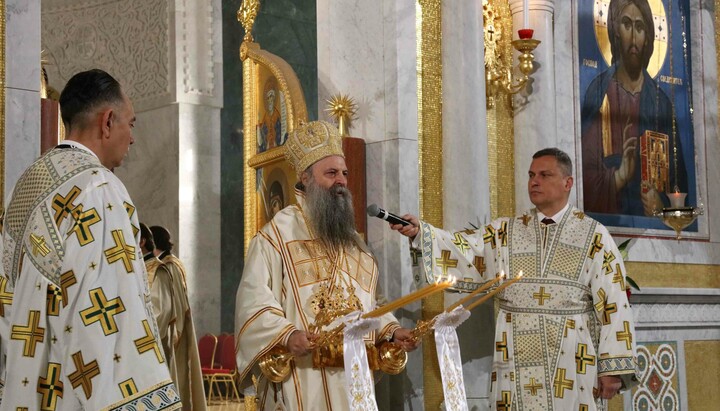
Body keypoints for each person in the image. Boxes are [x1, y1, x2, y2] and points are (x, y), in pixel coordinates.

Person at [392, 148, 638, 410]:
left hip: (571, 360)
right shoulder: (506, 231)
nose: (534, 181)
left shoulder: (595, 236)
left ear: (568, 183)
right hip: (514, 354)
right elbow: (466, 248)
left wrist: (612, 367)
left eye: (545, 175)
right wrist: (422, 234)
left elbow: (614, 304)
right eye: (531, 174)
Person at [0, 69, 181, 409]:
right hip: (69, 390)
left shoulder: (25, 186)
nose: (133, 138)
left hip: (21, 385)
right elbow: (106, 316)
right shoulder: (99, 188)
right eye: (131, 123)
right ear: (107, 122)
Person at [235, 120, 419, 410]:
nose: (342, 181)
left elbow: (369, 304)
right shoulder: (276, 236)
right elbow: (254, 300)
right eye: (331, 173)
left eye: (344, 173)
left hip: (355, 376)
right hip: (303, 377)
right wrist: (287, 335)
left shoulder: (354, 244)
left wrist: (391, 330)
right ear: (305, 177)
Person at [581, 0, 687, 216]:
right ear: (615, 31)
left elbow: (679, 187)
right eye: (626, 24)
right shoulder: (599, 93)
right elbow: (582, 176)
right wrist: (619, 177)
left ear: (648, 35)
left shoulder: (661, 104)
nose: (633, 37)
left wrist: (662, 206)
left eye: (640, 27)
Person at [149, 225, 206, 411]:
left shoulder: (168, 266)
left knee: (179, 378)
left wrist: (171, 331)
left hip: (175, 329)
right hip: (175, 325)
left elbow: (173, 303)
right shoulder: (167, 262)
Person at [139, 223, 175, 368]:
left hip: (150, 348)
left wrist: (141, 340)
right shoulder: (139, 268)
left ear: (142, 241)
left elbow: (161, 311)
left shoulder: (157, 269)